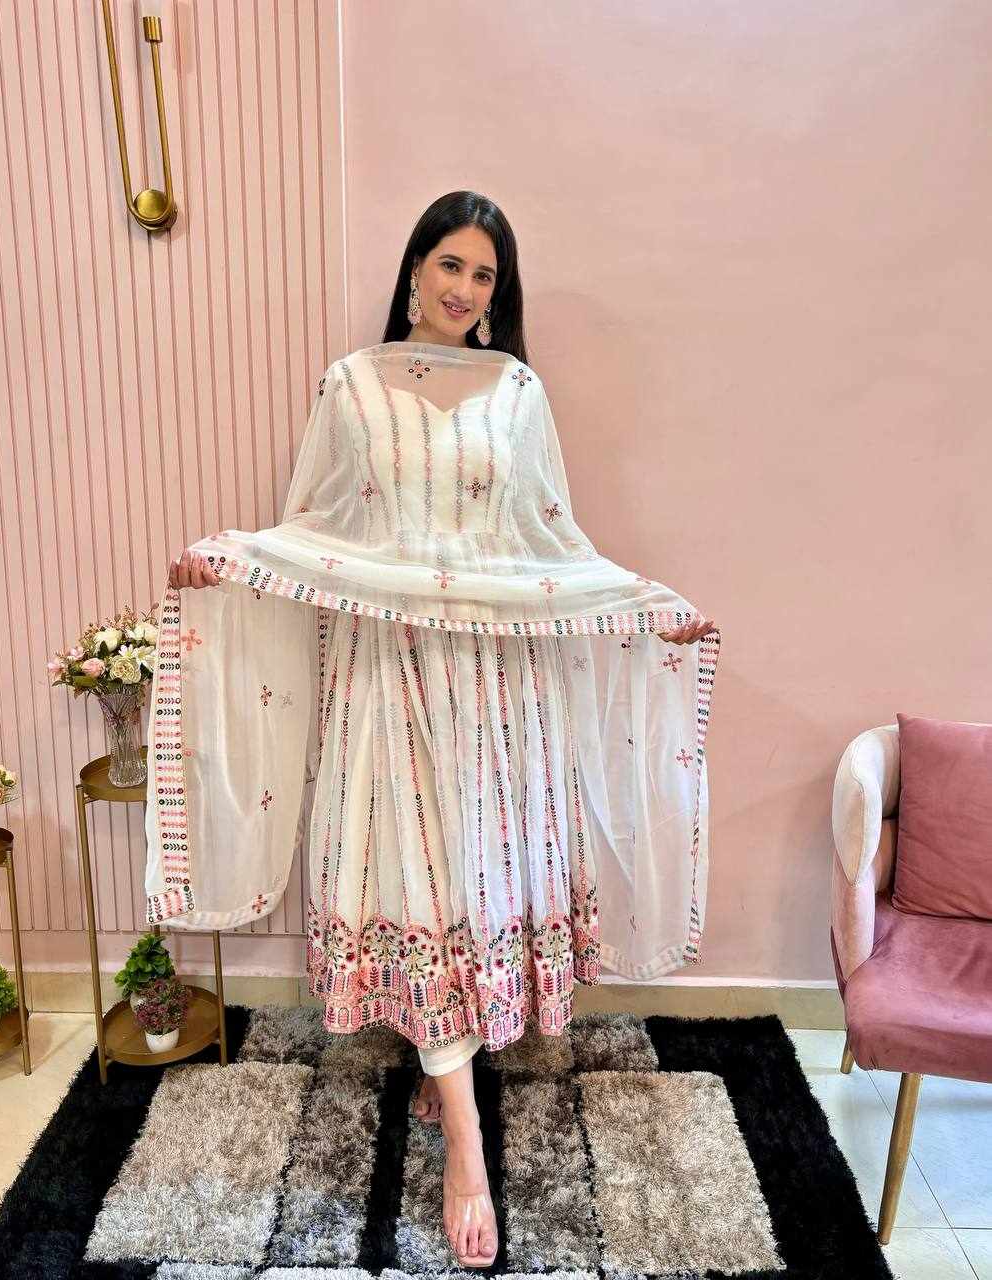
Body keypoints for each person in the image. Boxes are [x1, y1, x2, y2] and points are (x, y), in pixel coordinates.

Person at [165, 192, 716, 1268]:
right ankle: (466, 1148)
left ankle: (440, 1056)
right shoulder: (351, 384)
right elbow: (317, 522)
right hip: (388, 675)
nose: (465, 289)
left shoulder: (517, 392)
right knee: (415, 884)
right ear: (414, 267)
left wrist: (643, 603)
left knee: (475, 886)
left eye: (485, 275)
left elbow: (549, 537)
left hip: (497, 681)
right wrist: (232, 557)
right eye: (451, 264)